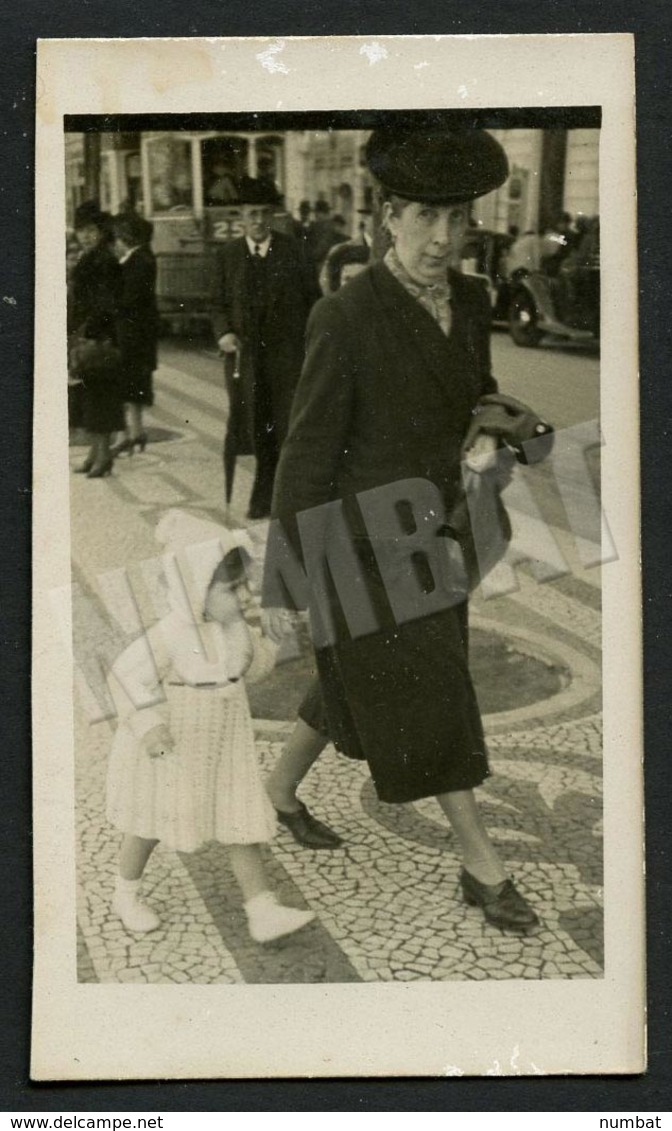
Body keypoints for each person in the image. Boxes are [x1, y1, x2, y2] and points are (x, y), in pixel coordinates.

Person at [264, 127, 543, 935]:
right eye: (424, 217)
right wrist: (286, 582)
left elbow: (478, 392)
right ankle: (482, 864)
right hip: (362, 545)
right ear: (387, 216)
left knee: (359, 680)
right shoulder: (343, 317)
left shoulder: (475, 301)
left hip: (440, 537)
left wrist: (492, 435)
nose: (441, 239)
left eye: (457, 220)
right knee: (433, 691)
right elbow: (306, 455)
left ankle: (276, 793)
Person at [105, 509, 316, 944]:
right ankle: (125, 893)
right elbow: (124, 678)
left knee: (240, 822)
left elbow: (251, 669)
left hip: (226, 746)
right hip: (173, 746)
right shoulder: (168, 635)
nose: (243, 598)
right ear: (192, 589)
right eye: (230, 588)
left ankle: (262, 909)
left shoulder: (233, 627)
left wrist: (273, 640)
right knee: (148, 824)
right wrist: (148, 724)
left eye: (244, 587)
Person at [213, 180, 321, 520]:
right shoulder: (227, 255)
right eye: (250, 215)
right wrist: (224, 333)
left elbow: (314, 301)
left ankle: (280, 497)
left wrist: (311, 344)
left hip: (287, 359)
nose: (258, 220)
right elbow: (216, 304)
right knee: (255, 426)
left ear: (271, 216)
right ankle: (264, 491)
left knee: (286, 425)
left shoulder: (293, 250)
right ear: (241, 219)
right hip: (246, 360)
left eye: (263, 214)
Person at [68, 201, 123, 478]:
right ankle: (94, 454)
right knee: (89, 399)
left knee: (99, 399)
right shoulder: (92, 257)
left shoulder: (102, 260)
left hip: (99, 337)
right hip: (91, 336)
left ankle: (103, 457)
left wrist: (88, 332)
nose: (86, 236)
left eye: (91, 230)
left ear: (101, 231)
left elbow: (105, 304)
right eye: (81, 231)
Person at [109, 213, 160, 456]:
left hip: (133, 335)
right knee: (133, 385)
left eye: (118, 237)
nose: (116, 242)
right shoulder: (141, 259)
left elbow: (128, 299)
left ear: (126, 238)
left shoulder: (139, 262)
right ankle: (136, 432)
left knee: (126, 384)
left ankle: (127, 435)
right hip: (137, 335)